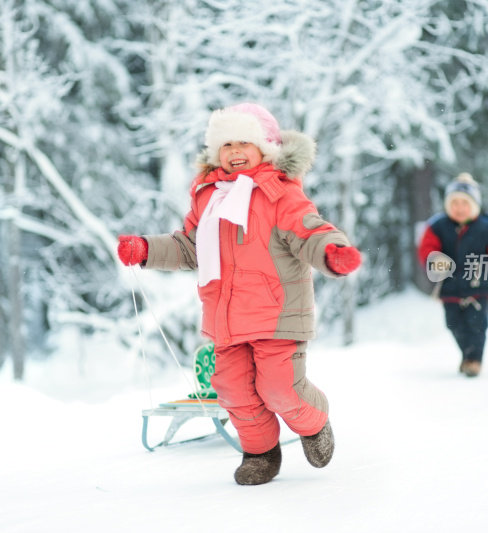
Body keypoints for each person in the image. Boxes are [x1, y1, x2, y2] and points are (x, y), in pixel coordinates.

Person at [117, 103, 361, 485]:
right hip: (226, 319)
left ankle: (313, 422)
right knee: (232, 390)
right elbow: (189, 246)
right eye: (225, 143)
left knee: (278, 388)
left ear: (265, 147)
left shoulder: (279, 193)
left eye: (243, 142)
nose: (234, 151)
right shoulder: (207, 196)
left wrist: (332, 251)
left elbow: (309, 231)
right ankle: (261, 453)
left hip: (276, 313)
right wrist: (146, 249)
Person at [417, 173, 488, 378]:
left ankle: (475, 360)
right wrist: (435, 259)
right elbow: (426, 248)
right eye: (454, 203)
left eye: (464, 203)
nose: (459, 207)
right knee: (454, 323)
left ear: (474, 205)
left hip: (478, 286)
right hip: (450, 287)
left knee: (477, 324)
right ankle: (466, 354)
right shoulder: (438, 226)